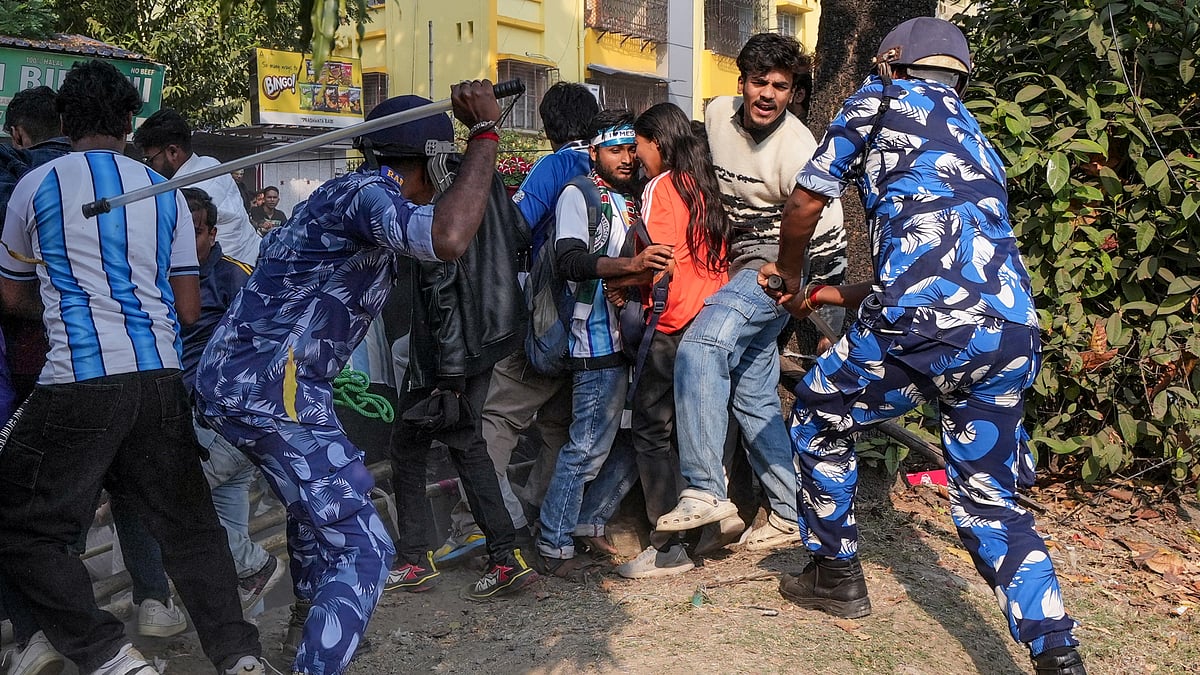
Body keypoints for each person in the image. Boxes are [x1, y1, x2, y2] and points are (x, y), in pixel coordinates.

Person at [758, 18, 1086, 675]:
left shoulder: (879, 100)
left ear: (891, 63)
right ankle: (1058, 652)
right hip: (1010, 334)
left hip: (926, 327)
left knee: (820, 412)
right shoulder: (976, 138)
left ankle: (835, 572)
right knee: (992, 504)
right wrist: (828, 297)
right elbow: (943, 267)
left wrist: (790, 274)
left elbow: (803, 204)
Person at [194, 81, 504, 675]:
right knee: (366, 548)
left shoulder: (360, 199)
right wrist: (485, 134)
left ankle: (300, 637)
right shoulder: (364, 195)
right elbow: (449, 237)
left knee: (316, 520)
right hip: (268, 389)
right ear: (432, 161)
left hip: (269, 385)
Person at [0, 59, 263, 675]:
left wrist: (71, 292)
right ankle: (239, 656)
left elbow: (10, 296)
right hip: (160, 382)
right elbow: (189, 305)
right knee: (191, 528)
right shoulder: (163, 193)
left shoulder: (34, 186)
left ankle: (107, 654)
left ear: (65, 119)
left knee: (19, 523)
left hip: (79, 383)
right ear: (128, 120)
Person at [656, 33, 846, 551]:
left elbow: (829, 239)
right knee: (753, 392)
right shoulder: (717, 114)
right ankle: (790, 511)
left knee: (702, 345)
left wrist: (828, 321)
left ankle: (703, 490)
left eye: (780, 87)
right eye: (759, 82)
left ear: (793, 94)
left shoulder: (800, 149)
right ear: (741, 83)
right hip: (737, 262)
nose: (767, 94)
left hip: (780, 269)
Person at [433, 81, 601, 565]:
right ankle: (539, 512)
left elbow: (517, 225)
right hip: (595, 327)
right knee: (556, 425)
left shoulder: (558, 163)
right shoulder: (612, 161)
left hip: (549, 316)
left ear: (549, 130)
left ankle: (474, 522)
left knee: (496, 415)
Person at [376, 95, 536, 601]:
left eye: (390, 169)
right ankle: (504, 556)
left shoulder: (435, 213)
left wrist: (445, 379)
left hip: (447, 352)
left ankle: (414, 558)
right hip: (487, 339)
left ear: (417, 165)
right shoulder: (474, 177)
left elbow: (443, 298)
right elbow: (518, 232)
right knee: (466, 445)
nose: (386, 182)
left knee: (408, 446)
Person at [535, 110, 672, 579]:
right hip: (591, 338)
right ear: (593, 152)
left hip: (629, 337)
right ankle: (553, 545)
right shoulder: (580, 192)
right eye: (616, 150)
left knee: (636, 439)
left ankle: (584, 521)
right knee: (586, 446)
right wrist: (630, 268)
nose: (628, 159)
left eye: (632, 149)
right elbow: (569, 261)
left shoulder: (630, 197)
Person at [612, 103, 731, 578]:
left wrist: (623, 280)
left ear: (655, 142)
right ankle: (712, 519)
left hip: (672, 320)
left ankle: (666, 546)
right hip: (712, 319)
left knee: (650, 428)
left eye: (638, 145)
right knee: (697, 428)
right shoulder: (704, 183)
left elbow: (658, 258)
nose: (636, 156)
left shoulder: (661, 185)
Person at [133, 109, 262, 265]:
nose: (149, 167)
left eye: (150, 159)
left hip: (226, 276)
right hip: (251, 258)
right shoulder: (209, 164)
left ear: (173, 152)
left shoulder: (188, 196)